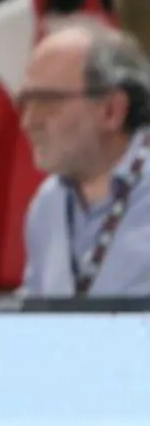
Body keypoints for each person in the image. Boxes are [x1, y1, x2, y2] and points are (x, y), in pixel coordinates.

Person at [16, 21, 150, 297]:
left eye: (47, 101)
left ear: (111, 110)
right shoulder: (47, 204)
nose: (29, 122)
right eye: (26, 102)